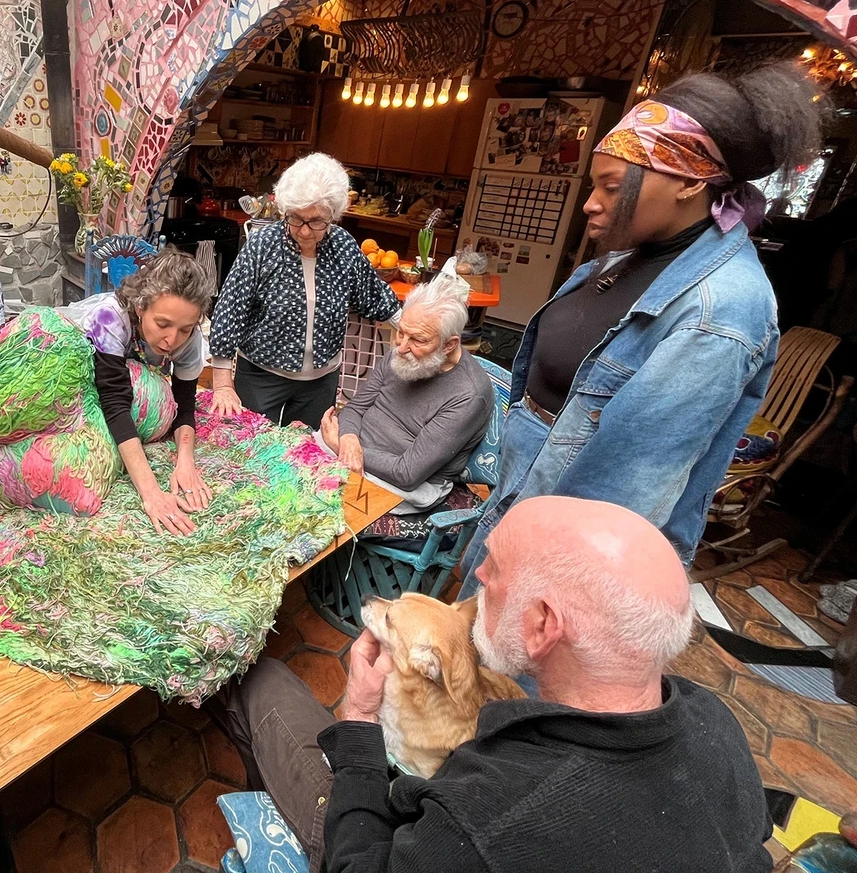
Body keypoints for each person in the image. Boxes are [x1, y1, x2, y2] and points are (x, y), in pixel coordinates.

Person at [213, 497, 773, 873]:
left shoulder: (489, 820)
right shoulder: (714, 724)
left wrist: (359, 721)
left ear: (543, 626)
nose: (476, 576)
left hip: (376, 838)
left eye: (496, 572)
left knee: (258, 678)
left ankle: (274, 816)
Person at [457, 65, 825, 591]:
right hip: (524, 496)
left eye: (611, 186)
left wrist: (515, 579)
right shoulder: (631, 257)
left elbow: (619, 493)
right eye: (594, 185)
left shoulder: (719, 311)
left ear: (691, 181)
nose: (591, 203)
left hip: (563, 555)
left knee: (509, 669)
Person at [209, 153, 399, 429]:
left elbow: (372, 294)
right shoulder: (263, 246)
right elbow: (231, 310)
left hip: (320, 382)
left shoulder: (343, 246)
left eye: (317, 221)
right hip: (262, 376)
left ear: (333, 216)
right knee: (253, 450)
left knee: (307, 456)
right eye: (296, 219)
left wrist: (412, 325)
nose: (305, 230)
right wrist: (222, 383)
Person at [59, 248, 215, 534]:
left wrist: (185, 461)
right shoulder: (108, 319)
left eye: (185, 329)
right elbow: (115, 405)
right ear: (141, 306)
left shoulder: (188, 339)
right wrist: (152, 494)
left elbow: (185, 406)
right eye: (163, 324)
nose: (172, 340)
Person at [316, 263, 493, 511]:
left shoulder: (468, 395)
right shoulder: (403, 354)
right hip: (353, 452)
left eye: (418, 340)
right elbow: (355, 408)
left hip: (400, 484)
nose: (401, 347)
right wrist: (347, 438)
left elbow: (407, 474)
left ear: (449, 345)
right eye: (401, 333)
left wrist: (341, 447)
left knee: (313, 508)